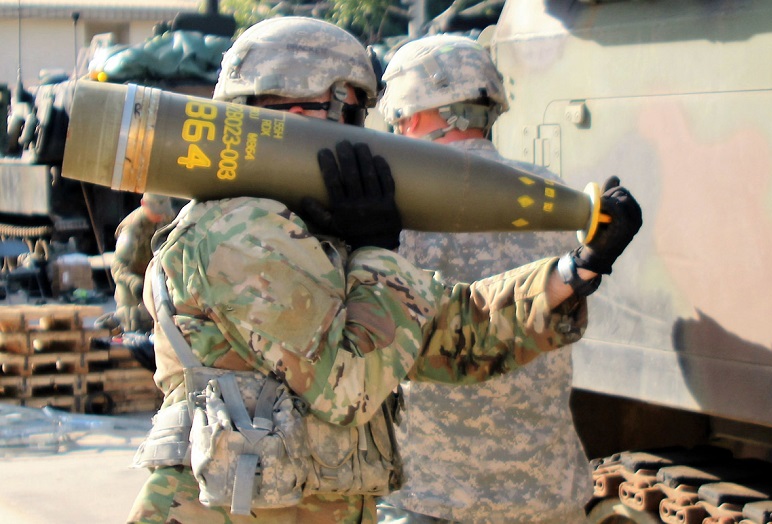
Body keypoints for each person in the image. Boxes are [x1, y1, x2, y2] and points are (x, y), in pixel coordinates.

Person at [126, 17, 642, 524]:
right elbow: (348, 388)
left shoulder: (299, 229)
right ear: (301, 112)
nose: (363, 136)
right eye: (352, 113)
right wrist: (376, 251)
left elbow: (444, 330)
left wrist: (576, 271)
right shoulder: (237, 234)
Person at [375, 35, 594, 523]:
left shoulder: (396, 207)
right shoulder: (549, 192)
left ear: (407, 115)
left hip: (434, 498)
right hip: (548, 494)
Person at [110, 193, 174, 334]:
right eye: (156, 212)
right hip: (132, 282)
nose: (161, 216)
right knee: (131, 319)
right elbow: (118, 267)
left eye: (163, 212)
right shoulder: (131, 229)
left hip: (155, 276)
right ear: (143, 205)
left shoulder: (167, 218)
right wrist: (134, 283)